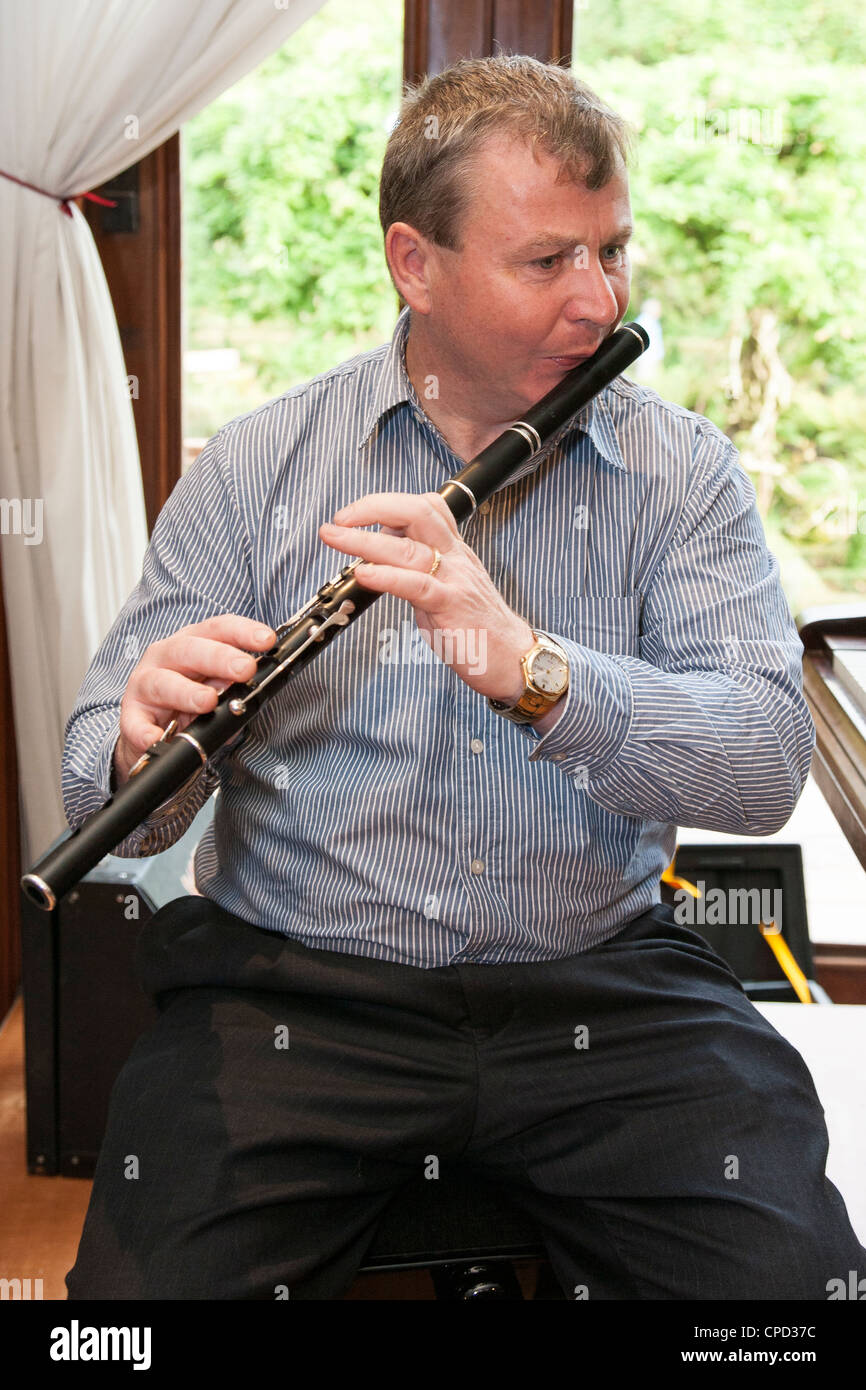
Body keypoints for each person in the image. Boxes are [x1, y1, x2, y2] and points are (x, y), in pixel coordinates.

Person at [63, 54, 865, 1300]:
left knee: (792, 1294)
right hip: (301, 994)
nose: (598, 300)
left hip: (601, 987)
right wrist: (134, 744)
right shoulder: (258, 466)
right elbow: (105, 802)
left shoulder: (682, 474)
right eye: (548, 261)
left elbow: (762, 761)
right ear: (412, 263)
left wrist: (539, 673)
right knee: (134, 1316)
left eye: (612, 251)